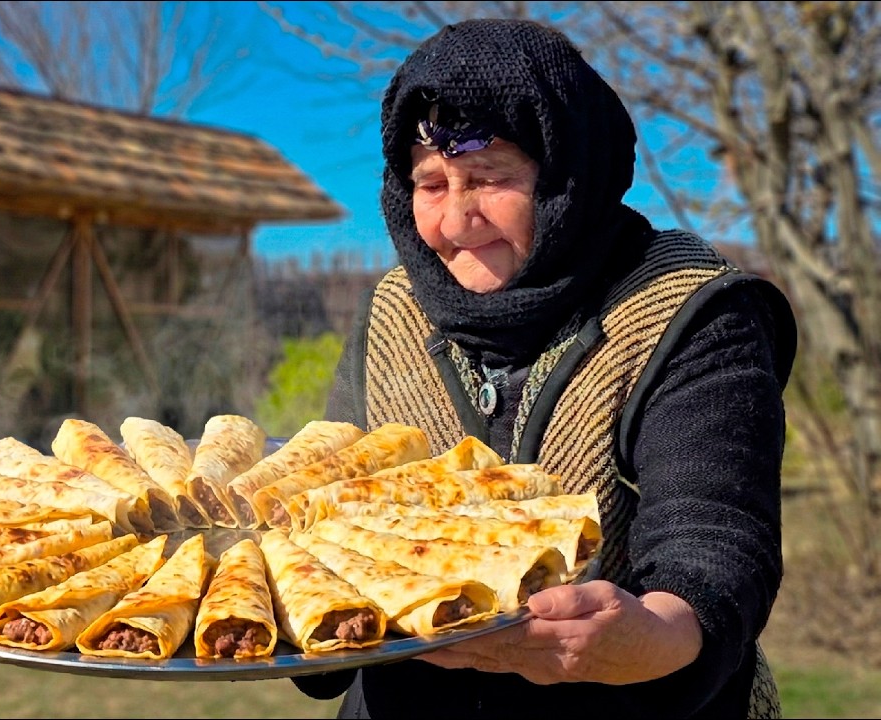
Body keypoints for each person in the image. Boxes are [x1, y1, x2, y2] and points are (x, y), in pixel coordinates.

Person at [291, 18, 797, 720]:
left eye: (490, 178)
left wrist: (658, 636)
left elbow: (713, 537)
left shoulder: (686, 309)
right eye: (430, 183)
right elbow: (323, 510)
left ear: (568, 176)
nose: (456, 220)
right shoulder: (394, 313)